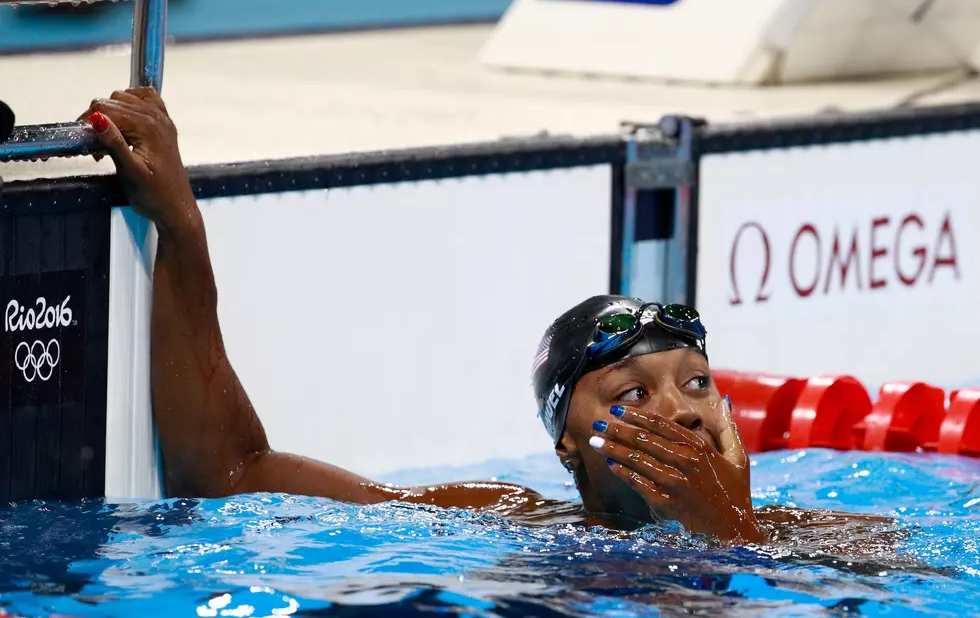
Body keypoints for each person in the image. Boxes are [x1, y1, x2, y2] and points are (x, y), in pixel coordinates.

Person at [77, 88, 875, 546]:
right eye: (631, 397)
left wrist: (729, 531)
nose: (679, 412)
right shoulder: (507, 522)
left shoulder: (833, 542)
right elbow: (230, 475)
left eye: (697, 383)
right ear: (569, 445)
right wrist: (182, 228)